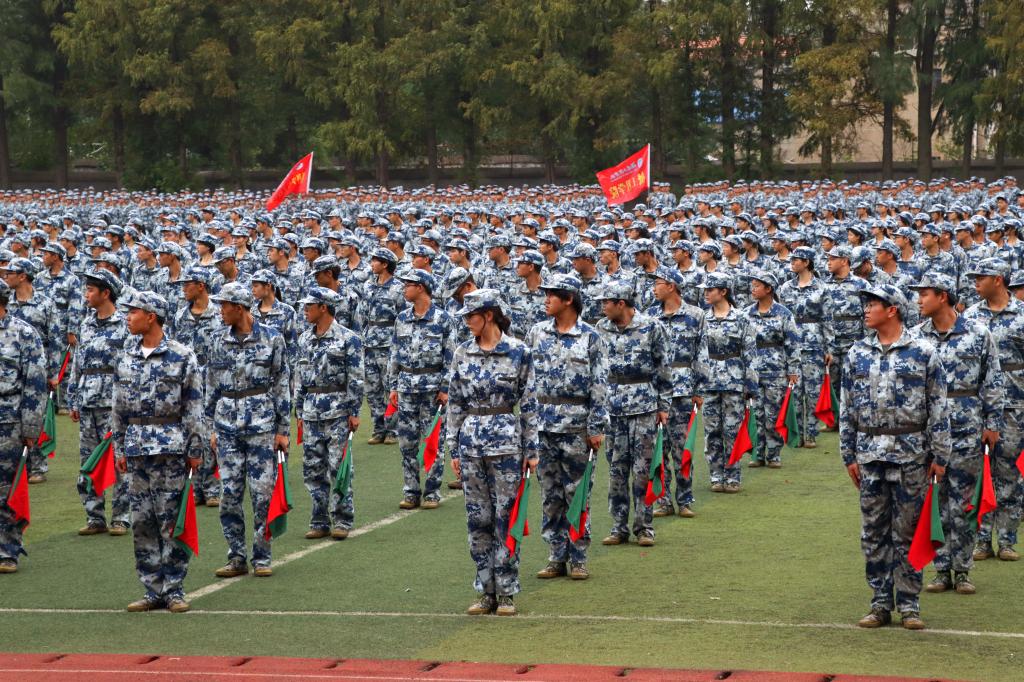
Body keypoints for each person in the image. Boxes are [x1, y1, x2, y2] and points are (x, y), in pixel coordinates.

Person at [839, 283, 950, 631]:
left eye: (873, 304)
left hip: (911, 454)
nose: (866, 309)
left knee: (908, 531)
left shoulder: (923, 351)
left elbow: (938, 406)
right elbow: (847, 408)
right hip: (870, 454)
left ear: (892, 310)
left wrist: (940, 454)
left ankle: (909, 603)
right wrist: (848, 454)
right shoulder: (857, 353)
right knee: (873, 532)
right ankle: (880, 602)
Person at [111, 290, 205, 613]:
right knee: (142, 521)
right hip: (136, 447)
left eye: (134, 312)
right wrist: (119, 447)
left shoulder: (182, 356)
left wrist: (195, 447)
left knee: (170, 520)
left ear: (151, 317)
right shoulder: (126, 357)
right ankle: (152, 589)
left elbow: (193, 406)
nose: (128, 317)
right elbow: (118, 408)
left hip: (170, 449)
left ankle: (174, 588)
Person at [447, 289, 538, 616]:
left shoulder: (519, 352)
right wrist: (453, 447)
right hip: (471, 443)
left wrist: (532, 448)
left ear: (488, 316)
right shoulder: (462, 352)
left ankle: (507, 591)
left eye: (471, 316)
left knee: (505, 517)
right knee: (478, 519)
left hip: (506, 444)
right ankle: (486, 590)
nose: (467, 322)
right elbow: (455, 402)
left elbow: (529, 403)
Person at [912, 273, 1003, 595]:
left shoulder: (978, 333)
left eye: (925, 294)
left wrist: (993, 423)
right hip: (928, 432)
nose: (919, 300)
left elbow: (992, 380)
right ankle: (941, 568)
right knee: (934, 500)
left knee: (963, 502)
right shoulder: (916, 337)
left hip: (967, 428)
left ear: (943, 296)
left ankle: (962, 569)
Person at [205, 283, 291, 578]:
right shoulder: (217, 339)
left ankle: (262, 556)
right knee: (229, 494)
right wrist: (210, 427)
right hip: (226, 425)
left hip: (261, 426)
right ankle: (236, 556)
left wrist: (283, 429)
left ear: (239, 308)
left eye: (224, 305)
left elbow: (281, 384)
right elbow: (211, 385)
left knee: (262, 493)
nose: (220, 310)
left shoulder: (272, 338)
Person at [526, 274, 608, 581]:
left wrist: (595, 426)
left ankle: (579, 556)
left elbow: (600, 384)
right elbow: (526, 380)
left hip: (577, 426)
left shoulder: (590, 337)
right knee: (550, 494)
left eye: (552, 294)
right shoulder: (536, 332)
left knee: (577, 493)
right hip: (543, 424)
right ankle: (556, 554)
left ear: (569, 299)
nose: (546, 299)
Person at [595, 281, 672, 546]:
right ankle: (618, 527)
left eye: (607, 302)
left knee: (643, 470)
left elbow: (663, 368)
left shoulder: (651, 326)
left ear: (622, 304)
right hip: (612, 408)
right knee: (616, 471)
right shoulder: (600, 328)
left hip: (644, 407)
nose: (603, 307)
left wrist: (664, 406)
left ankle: (644, 527)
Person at [962, 258, 1024, 562]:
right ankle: (982, 539)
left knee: (1009, 472)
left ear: (998, 279)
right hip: (980, 407)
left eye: (981, 277)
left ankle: (1007, 539)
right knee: (979, 472)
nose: (976, 283)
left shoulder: (1022, 315)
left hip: (1015, 406)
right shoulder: (970, 317)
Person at [295, 287, 365, 540]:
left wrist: (354, 411)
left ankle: (342, 519)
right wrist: (299, 409)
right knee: (313, 469)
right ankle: (319, 519)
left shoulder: (348, 338)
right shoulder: (304, 339)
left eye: (309, 306)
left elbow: (356, 377)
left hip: (338, 411)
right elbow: (299, 377)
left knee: (339, 467)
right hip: (311, 411)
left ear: (323, 307)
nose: (305, 310)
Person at [67, 269, 131, 536]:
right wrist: (73, 397)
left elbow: (131, 365)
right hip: (88, 400)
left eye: (91, 290)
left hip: (114, 402)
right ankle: (95, 516)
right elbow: (77, 363)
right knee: (89, 458)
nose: (86, 294)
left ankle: (121, 517)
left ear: (106, 293)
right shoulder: (86, 323)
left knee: (119, 459)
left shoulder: (125, 324)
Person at [387, 269, 455, 509]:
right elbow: (394, 354)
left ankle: (432, 492)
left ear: (421, 287)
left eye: (409, 284)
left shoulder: (443, 319)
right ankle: (411, 492)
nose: (404, 288)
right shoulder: (402, 318)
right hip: (406, 388)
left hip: (432, 389)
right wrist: (393, 386)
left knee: (432, 441)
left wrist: (445, 388)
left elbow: (450, 357)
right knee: (407, 443)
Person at [647, 267, 703, 518]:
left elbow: (701, 353)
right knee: (659, 448)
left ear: (671, 286)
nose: (654, 288)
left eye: (658, 283)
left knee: (682, 449)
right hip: (656, 391)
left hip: (683, 390)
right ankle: (663, 500)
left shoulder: (695, 315)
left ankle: (685, 499)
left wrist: (699, 388)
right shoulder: (649, 316)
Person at [695, 271, 758, 493]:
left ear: (723, 292)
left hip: (734, 381)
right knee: (712, 431)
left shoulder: (741, 318)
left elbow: (750, 353)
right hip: (709, 381)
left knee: (733, 430)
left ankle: (732, 476)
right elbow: (697, 354)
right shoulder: (702, 318)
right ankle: (715, 475)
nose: (706, 293)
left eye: (710, 290)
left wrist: (751, 384)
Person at [0, 278, 46, 574]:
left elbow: (35, 383)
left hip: (9, 421)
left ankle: (7, 549)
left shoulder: (24, 333)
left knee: (6, 488)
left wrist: (30, 428)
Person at [171, 266, 223, 507]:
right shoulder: (180, 316)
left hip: (212, 381)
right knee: (189, 432)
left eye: (187, 284)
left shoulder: (219, 314)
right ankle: (193, 487)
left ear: (201, 286)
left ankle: (211, 487)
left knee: (211, 432)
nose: (183, 288)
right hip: (187, 382)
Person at [778, 246, 833, 449]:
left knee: (813, 391)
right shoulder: (785, 288)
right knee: (794, 391)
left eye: (796, 259)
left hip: (813, 344)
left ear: (807, 262)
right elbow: (781, 318)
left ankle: (810, 433)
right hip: (792, 344)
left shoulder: (821, 288)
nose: (792, 262)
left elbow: (827, 319)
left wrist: (829, 347)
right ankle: (796, 433)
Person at [744, 271, 800, 468]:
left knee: (773, 413)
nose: (753, 289)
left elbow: (792, 343)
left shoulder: (783, 313)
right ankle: (758, 453)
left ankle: (774, 454)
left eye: (757, 286)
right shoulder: (746, 313)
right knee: (756, 413)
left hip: (776, 370)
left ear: (768, 289)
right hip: (753, 370)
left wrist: (793, 370)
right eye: (752, 285)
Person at [360, 248, 404, 446]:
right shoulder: (368, 286)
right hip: (369, 343)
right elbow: (362, 315)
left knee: (390, 387)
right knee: (372, 389)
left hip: (388, 344)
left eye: (375, 261)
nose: (372, 264)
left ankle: (393, 429)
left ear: (385, 264)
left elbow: (403, 318)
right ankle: (379, 428)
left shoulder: (398, 288)